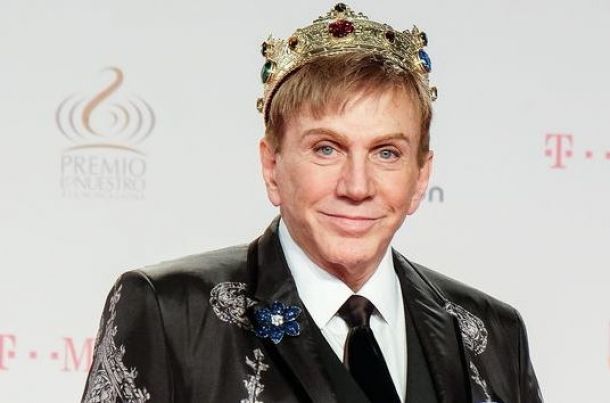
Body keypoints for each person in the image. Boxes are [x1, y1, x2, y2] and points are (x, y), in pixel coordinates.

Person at [81, 3, 543, 403]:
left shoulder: (493, 333)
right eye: (327, 149)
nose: (357, 186)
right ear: (272, 167)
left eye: (386, 153)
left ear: (421, 177)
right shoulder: (170, 313)